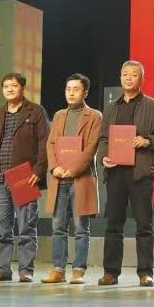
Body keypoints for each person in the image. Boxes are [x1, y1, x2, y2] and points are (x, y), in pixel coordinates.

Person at [97, 60, 154, 287]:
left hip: (141, 174)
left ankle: (145, 273)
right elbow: (104, 138)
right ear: (120, 77)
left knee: (144, 226)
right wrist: (103, 157)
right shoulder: (111, 107)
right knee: (113, 225)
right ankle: (110, 272)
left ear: (142, 79)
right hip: (116, 173)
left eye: (133, 75)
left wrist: (146, 140)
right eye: (125, 74)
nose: (128, 78)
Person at [0, 73, 49, 283]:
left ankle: (26, 270)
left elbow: (44, 143)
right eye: (6, 86)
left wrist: (38, 171)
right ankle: (2, 269)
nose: (10, 89)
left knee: (27, 227)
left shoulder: (36, 111)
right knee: (2, 228)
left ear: (22, 88)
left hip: (24, 177)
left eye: (14, 85)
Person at [41, 74, 102, 285]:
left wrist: (74, 170)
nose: (71, 93)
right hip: (59, 178)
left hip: (80, 179)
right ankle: (58, 269)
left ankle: (78, 270)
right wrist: (54, 167)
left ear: (85, 92)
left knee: (81, 228)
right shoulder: (59, 115)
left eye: (76, 89)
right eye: (68, 89)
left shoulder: (94, 116)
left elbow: (91, 147)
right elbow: (51, 144)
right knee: (58, 226)